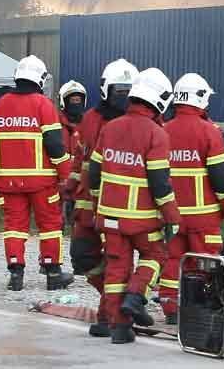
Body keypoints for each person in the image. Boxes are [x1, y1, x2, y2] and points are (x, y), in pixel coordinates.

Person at [90, 67, 180, 344]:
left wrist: (98, 202)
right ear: (160, 99)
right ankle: (136, 296)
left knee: (117, 268)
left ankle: (120, 328)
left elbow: (93, 172)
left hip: (110, 217)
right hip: (142, 218)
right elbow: (160, 183)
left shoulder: (110, 127)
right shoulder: (156, 133)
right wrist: (172, 217)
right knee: (156, 256)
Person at [0, 55, 74, 291]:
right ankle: (53, 274)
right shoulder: (43, 105)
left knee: (14, 225)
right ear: (41, 79)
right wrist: (64, 173)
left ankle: (16, 273)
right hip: (41, 181)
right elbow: (55, 145)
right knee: (50, 225)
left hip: (9, 181)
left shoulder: (1, 103)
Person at [158, 73, 224, 325]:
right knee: (205, 261)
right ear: (201, 98)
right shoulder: (209, 132)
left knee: (172, 261)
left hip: (171, 214)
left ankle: (171, 309)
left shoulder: (162, 131)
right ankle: (200, 308)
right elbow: (222, 178)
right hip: (204, 218)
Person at [70, 58, 138, 337]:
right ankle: (117, 304)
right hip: (88, 205)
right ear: (105, 90)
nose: (122, 97)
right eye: (118, 91)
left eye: (127, 92)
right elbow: (80, 159)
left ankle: (110, 315)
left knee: (117, 261)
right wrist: (69, 191)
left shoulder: (142, 121)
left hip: (120, 207)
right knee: (82, 256)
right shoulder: (91, 119)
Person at [58, 80, 87, 225]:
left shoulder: (88, 125)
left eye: (78, 100)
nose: (76, 104)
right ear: (64, 102)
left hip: (81, 184)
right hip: (59, 182)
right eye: (72, 100)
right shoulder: (55, 125)